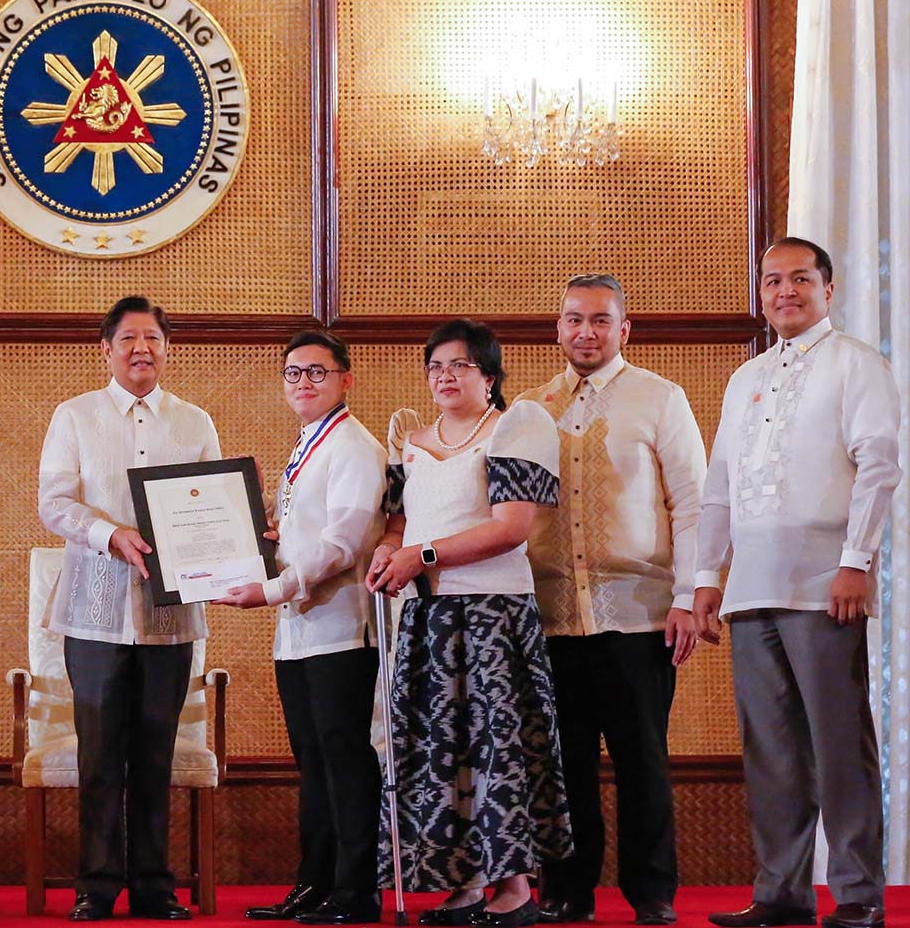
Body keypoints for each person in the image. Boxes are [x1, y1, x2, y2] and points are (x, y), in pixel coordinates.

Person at [693, 238, 901, 928]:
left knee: (839, 743)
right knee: (773, 749)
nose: (785, 290)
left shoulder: (857, 365)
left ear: (828, 289)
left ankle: (858, 893)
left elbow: (878, 465)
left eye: (801, 279)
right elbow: (718, 487)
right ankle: (780, 891)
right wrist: (704, 576)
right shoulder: (744, 377)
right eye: (773, 279)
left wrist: (856, 559)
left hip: (823, 584)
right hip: (751, 589)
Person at [366, 319, 572, 928]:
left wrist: (421, 556)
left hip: (491, 615)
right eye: (436, 366)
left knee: (494, 747)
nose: (446, 376)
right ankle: (466, 881)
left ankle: (513, 891)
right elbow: (401, 523)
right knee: (440, 749)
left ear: (489, 374)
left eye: (461, 365)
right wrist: (390, 546)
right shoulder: (413, 437)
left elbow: (511, 528)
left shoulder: (515, 424)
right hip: (429, 616)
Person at [515, 275, 706, 927]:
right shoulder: (531, 407)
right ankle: (568, 888)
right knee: (561, 764)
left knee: (641, 760)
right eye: (573, 319)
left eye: (600, 320)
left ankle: (652, 892)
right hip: (550, 619)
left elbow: (693, 504)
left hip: (639, 615)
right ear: (557, 328)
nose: (585, 332)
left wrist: (688, 595)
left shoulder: (660, 398)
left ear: (625, 329)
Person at [38, 296, 221, 923]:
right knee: (98, 754)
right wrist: (109, 534)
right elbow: (54, 503)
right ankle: (94, 886)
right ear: (106, 349)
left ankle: (154, 886)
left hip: (168, 615)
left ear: (166, 348)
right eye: (127, 339)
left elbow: (211, 507)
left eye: (151, 338)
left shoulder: (193, 421)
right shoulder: (75, 416)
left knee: (154, 752)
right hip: (94, 608)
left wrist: (235, 543)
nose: (140, 349)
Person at [215, 330, 386, 926]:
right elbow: (306, 534)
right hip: (299, 632)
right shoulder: (308, 442)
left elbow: (342, 544)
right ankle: (314, 885)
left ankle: (355, 893)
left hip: (342, 628)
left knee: (344, 761)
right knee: (312, 763)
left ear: (346, 379)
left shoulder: (355, 446)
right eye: (293, 373)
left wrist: (270, 588)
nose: (303, 383)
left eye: (317, 372)